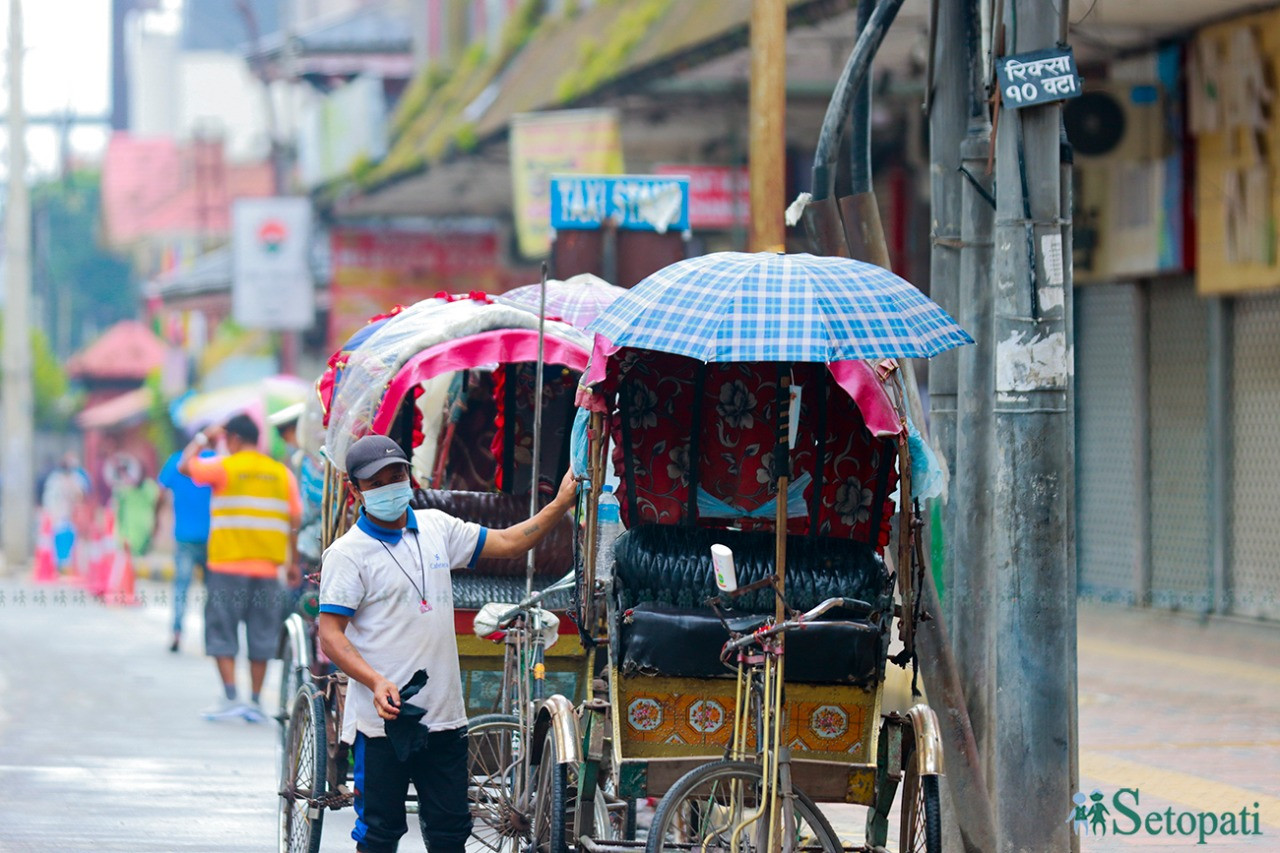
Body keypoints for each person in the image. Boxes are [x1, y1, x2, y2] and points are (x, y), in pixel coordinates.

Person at [317, 435, 578, 853]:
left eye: (396, 475)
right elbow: (330, 634)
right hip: (383, 724)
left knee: (450, 834)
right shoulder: (348, 554)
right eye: (377, 482)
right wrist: (373, 680)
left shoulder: (437, 527)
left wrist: (561, 504)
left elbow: (510, 543)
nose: (390, 487)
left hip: (445, 720)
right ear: (356, 490)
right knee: (379, 834)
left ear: (409, 476)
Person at [179, 413, 302, 723]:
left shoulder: (223, 466)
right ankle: (257, 702)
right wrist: (292, 562)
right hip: (267, 570)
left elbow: (184, 466)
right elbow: (295, 519)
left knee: (222, 630)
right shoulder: (280, 473)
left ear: (232, 439)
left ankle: (232, 697)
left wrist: (204, 438)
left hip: (226, 567)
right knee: (262, 634)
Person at [156, 433, 215, 653]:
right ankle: (211, 637)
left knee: (181, 587)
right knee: (212, 590)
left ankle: (177, 632)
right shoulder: (216, 462)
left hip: (184, 537)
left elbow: (160, 494)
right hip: (212, 538)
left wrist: (156, 521)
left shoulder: (175, 461)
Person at [41, 452, 90, 570]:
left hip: (71, 516)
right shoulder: (55, 480)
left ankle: (70, 565)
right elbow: (49, 498)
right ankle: (59, 566)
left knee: (71, 542)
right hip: (58, 515)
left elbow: (82, 494)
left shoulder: (76, 479)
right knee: (59, 542)